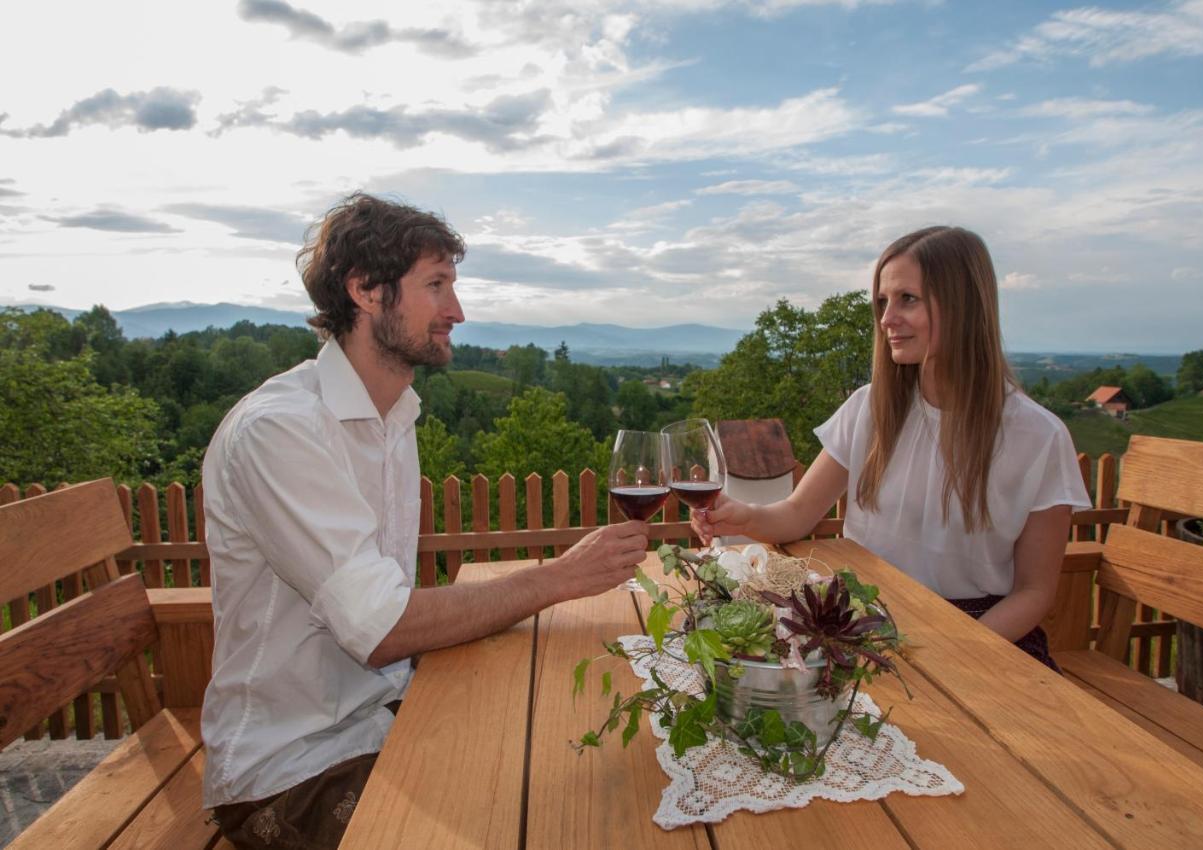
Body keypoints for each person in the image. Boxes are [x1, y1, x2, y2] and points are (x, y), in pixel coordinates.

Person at [200, 193, 648, 849]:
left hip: (382, 718)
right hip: (292, 768)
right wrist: (560, 578)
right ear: (366, 291)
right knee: (535, 825)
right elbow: (381, 628)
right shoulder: (281, 432)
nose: (456, 312)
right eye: (435, 286)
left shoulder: (393, 416)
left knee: (583, 770)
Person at [694, 226, 1090, 670]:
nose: (886, 320)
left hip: (983, 637)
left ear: (964, 306)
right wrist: (742, 515)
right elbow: (796, 516)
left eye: (908, 299)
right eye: (883, 302)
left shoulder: (1039, 437)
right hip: (865, 625)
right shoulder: (868, 409)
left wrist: (953, 652)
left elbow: (1034, 592)